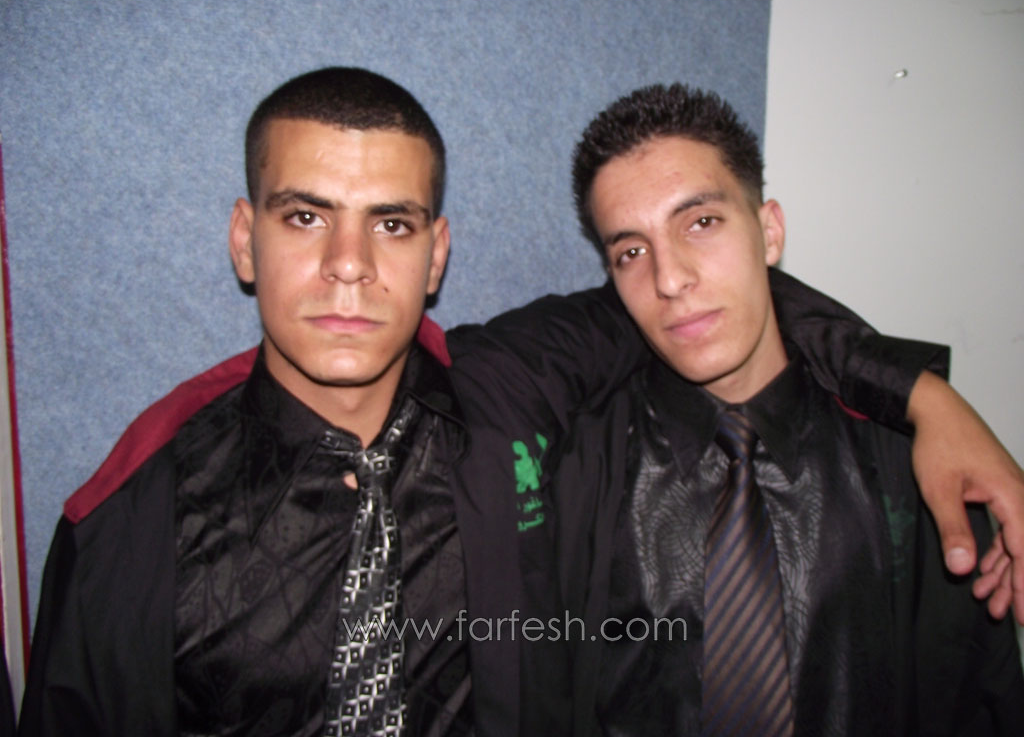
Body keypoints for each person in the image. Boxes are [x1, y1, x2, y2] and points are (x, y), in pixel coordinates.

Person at [18, 67, 1023, 737]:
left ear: (437, 254)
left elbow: (701, 304)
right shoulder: (134, 517)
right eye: (306, 217)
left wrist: (917, 393)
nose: (348, 265)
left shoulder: (503, 395)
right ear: (246, 240)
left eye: (392, 224)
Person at [522, 83, 1024, 735]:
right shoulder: (575, 468)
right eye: (631, 252)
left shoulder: (915, 457)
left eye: (701, 223)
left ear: (769, 231)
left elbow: (973, 698)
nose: (669, 279)